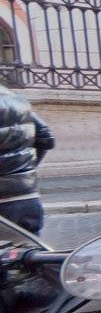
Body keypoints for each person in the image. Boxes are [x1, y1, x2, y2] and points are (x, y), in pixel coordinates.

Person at [0, 86, 54, 234]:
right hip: (27, 197)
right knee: (27, 253)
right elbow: (47, 140)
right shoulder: (17, 101)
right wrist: (27, 169)